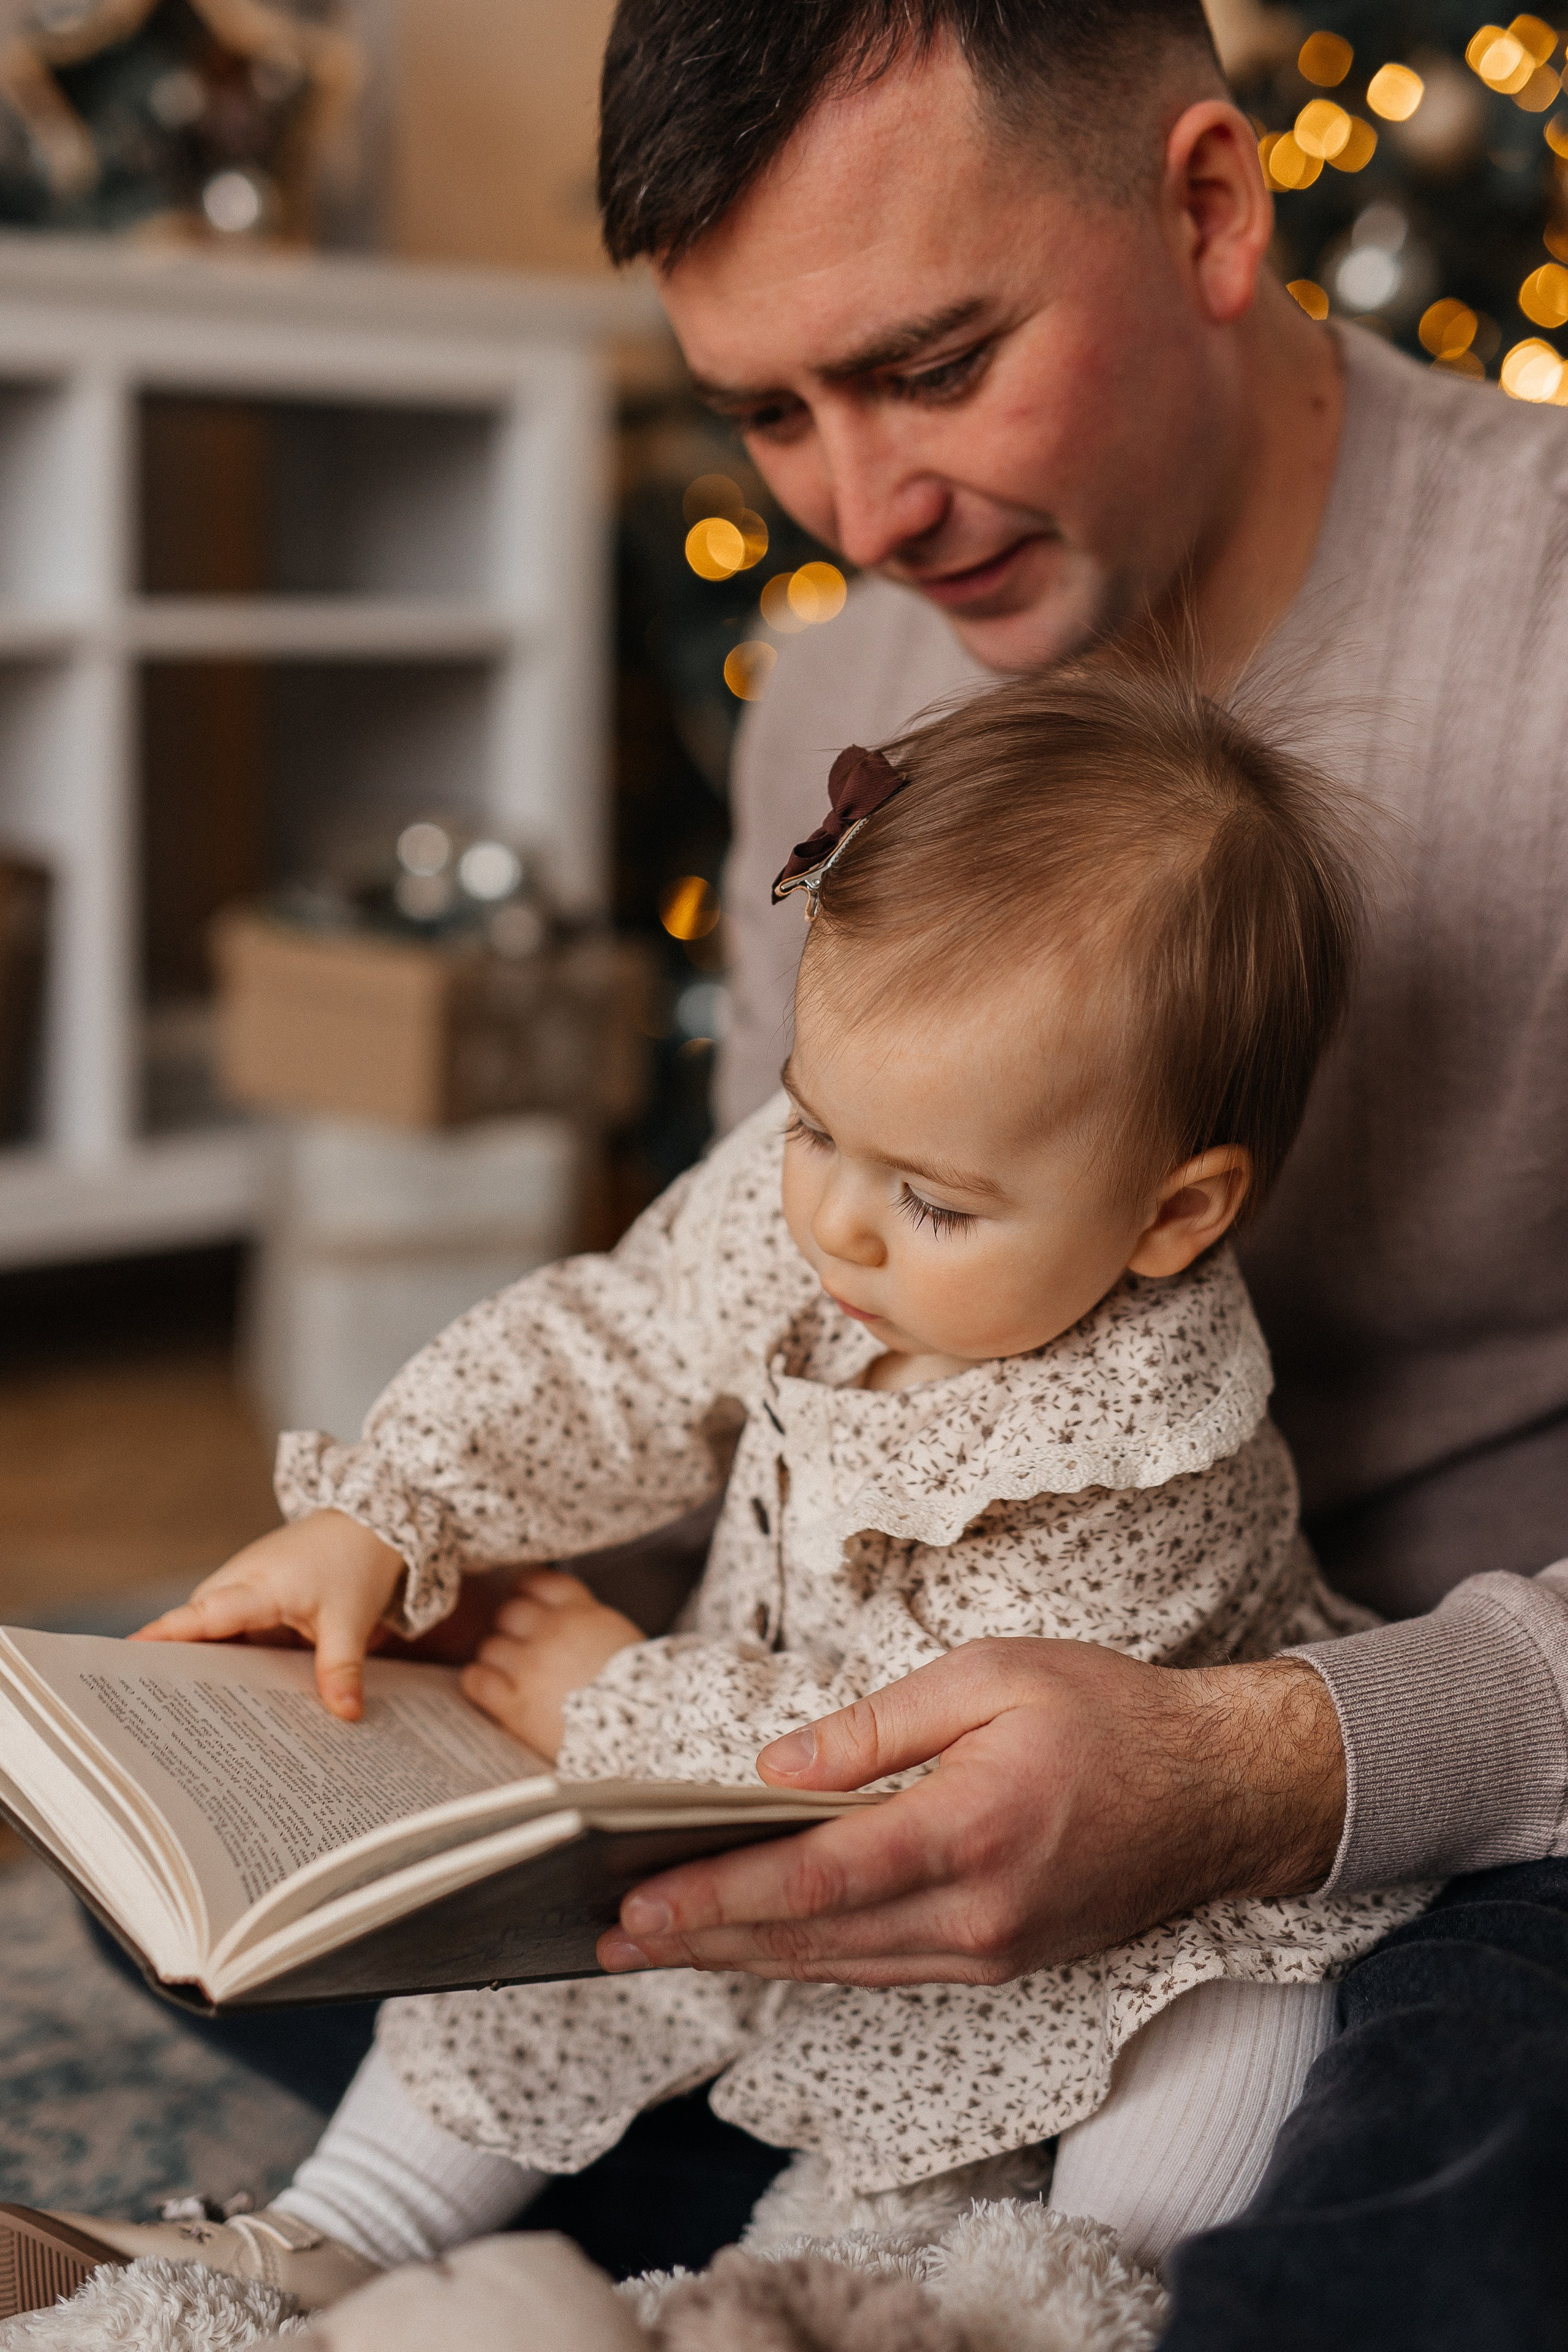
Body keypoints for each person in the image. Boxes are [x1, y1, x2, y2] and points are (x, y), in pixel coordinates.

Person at [2, 665, 1423, 2307]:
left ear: (1173, 1215)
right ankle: (337, 2235)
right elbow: (627, 1341)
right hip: (738, 1807)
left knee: (1209, 2055)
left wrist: (628, 1701)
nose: (835, 1225)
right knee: (521, 1953)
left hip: (1053, 1893)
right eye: (815, 1128)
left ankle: (997, 2303)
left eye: (936, 1203)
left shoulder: (1150, 1454)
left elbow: (936, 1777)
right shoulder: (829, 1207)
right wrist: (393, 1511)